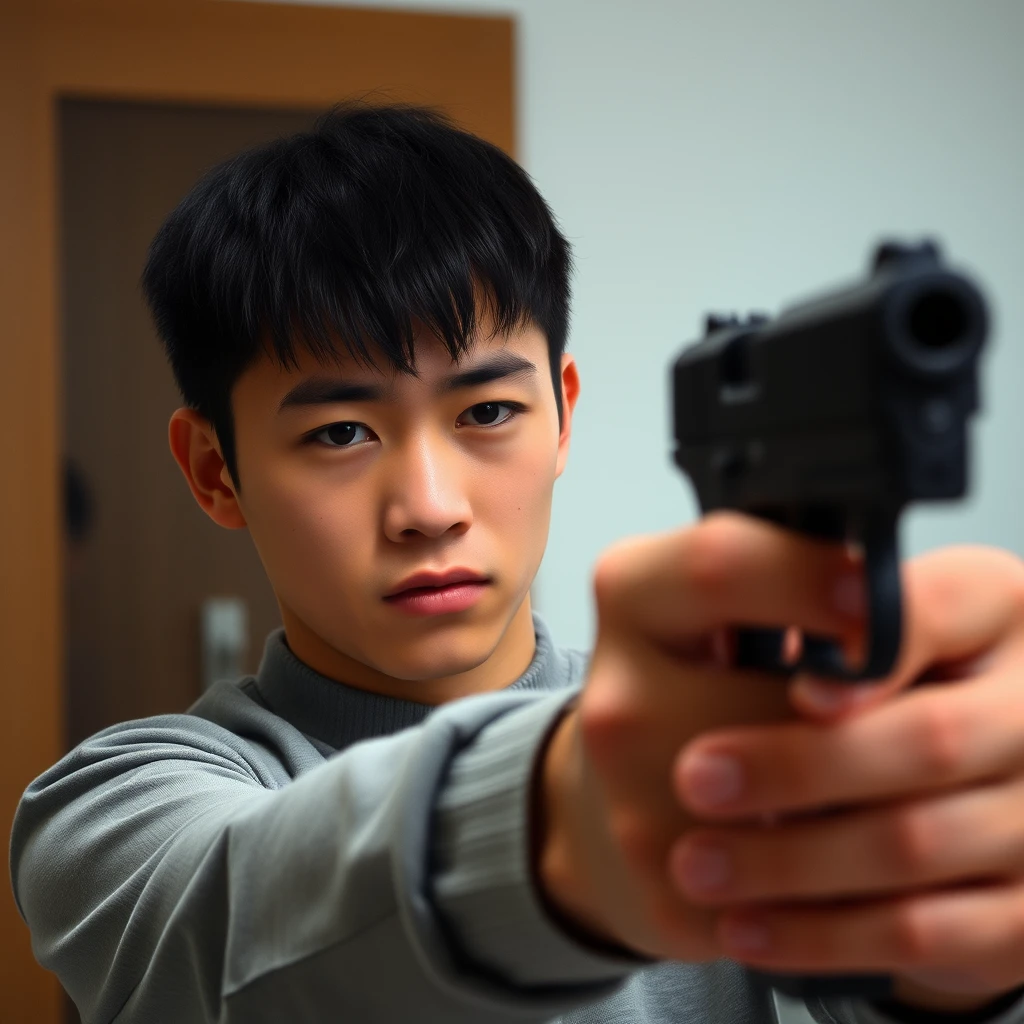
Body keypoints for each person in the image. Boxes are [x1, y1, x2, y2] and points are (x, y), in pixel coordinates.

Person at [11, 104, 1024, 1024]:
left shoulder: (740, 728)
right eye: (339, 434)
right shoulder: (109, 811)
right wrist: (565, 818)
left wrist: (956, 955)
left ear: (563, 415)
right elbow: (234, 934)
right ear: (213, 469)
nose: (430, 508)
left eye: (487, 412)